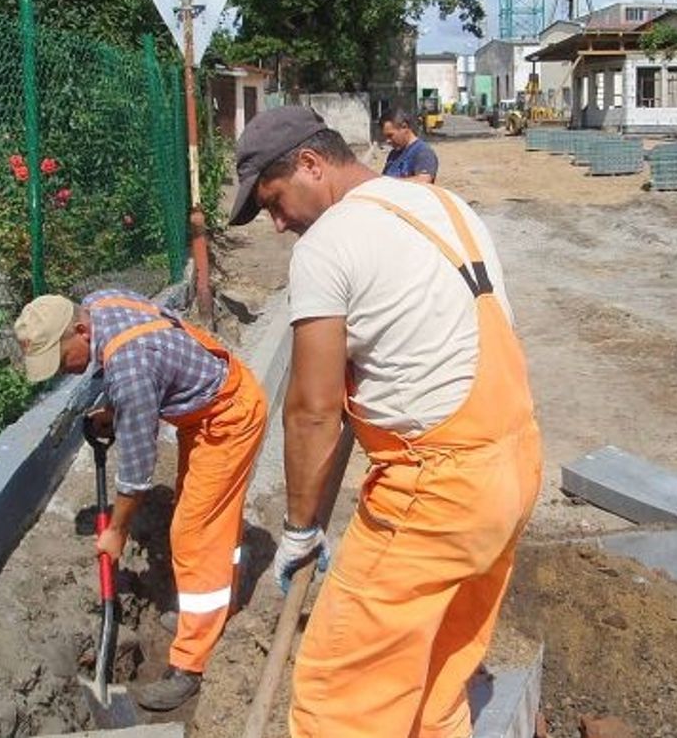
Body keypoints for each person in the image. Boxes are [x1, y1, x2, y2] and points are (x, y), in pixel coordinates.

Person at [228, 106, 542, 738]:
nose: (276, 223)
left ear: (312, 165)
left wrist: (298, 529)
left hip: (437, 494)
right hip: (514, 467)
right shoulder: (448, 208)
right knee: (435, 681)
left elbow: (312, 411)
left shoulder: (328, 244)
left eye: (273, 201)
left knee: (339, 698)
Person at [13, 289, 267, 711]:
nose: (62, 372)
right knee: (204, 523)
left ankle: (190, 664)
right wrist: (114, 410)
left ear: (80, 329)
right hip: (203, 410)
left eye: (61, 359)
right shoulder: (101, 302)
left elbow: (136, 474)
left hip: (228, 418)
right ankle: (211, 609)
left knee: (195, 535)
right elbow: (148, 369)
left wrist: (116, 530)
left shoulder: (129, 369)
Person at [381, 107, 439, 183]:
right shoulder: (393, 154)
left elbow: (423, 181)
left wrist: (389, 183)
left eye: (390, 135)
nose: (387, 141)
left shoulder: (423, 152)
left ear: (404, 127)